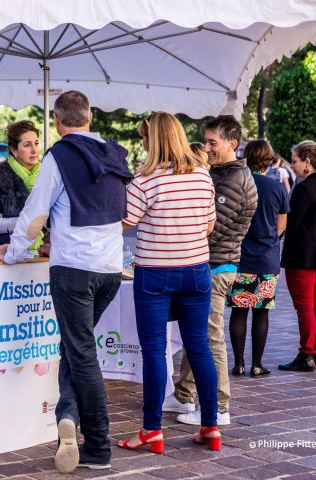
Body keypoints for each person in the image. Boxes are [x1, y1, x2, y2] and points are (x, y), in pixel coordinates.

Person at [0, 91, 133, 472]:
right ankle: (67, 416)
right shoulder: (116, 153)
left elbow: (35, 215)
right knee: (77, 345)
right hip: (109, 269)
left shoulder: (58, 157)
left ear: (57, 121)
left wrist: (13, 253)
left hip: (73, 268)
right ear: (89, 116)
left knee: (81, 351)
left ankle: (99, 446)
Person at [119, 112, 220, 454]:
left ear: (151, 140)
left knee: (153, 351)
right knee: (199, 346)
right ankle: (211, 425)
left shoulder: (144, 181)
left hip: (154, 273)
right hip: (196, 270)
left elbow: (124, 222)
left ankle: (151, 430)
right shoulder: (203, 176)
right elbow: (208, 226)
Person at [163, 115, 257, 426]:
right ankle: (184, 395)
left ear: (233, 143)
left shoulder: (232, 181)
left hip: (217, 266)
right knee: (197, 332)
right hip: (213, 264)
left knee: (209, 337)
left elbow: (207, 229)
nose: (207, 148)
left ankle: (218, 407)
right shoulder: (219, 174)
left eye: (213, 143)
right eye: (206, 142)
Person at [226, 140, 289, 377]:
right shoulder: (276, 188)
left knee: (238, 310)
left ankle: (239, 363)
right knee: (261, 312)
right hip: (267, 258)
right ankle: (257, 364)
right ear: (269, 160)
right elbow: (282, 225)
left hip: (239, 258)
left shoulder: (238, 184)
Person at [278, 140, 316, 371]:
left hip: (302, 257)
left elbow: (293, 224)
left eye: (294, 161)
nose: (292, 165)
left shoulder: (303, 188)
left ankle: (306, 353)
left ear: (307, 162)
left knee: (304, 307)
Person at [0, 120, 47, 254]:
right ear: (14, 150)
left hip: (43, 252)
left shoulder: (48, 173)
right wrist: (30, 222)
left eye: (36, 143)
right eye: (27, 145)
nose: (34, 150)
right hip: (9, 252)